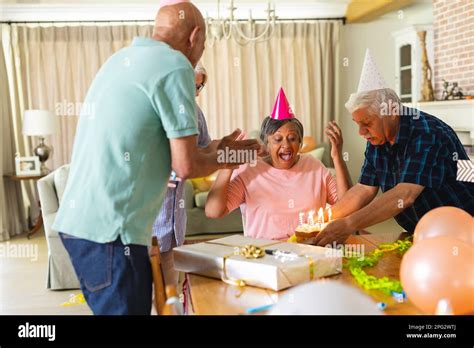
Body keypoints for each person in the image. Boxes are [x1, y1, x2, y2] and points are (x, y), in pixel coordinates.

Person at [52, 1, 259, 315]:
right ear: (195, 36)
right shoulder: (176, 65)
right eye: (205, 42)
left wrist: (223, 151)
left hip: (79, 226)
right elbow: (186, 166)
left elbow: (177, 151)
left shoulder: (121, 59)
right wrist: (230, 157)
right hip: (112, 232)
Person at [312, 49, 474, 247]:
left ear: (391, 113)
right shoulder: (378, 139)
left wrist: (348, 224)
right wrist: (324, 219)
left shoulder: (426, 132)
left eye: (367, 123)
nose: (361, 132)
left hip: (462, 229)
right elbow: (363, 189)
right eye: (357, 124)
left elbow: (405, 194)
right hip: (423, 231)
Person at [205, 87, 352, 240]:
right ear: (266, 143)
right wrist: (227, 166)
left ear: (300, 142)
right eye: (278, 139)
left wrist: (337, 156)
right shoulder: (249, 171)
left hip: (309, 250)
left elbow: (347, 205)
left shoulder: (314, 166)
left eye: (292, 138)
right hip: (264, 254)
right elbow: (213, 211)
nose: (286, 145)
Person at [153, 62, 214, 287]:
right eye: (191, 86)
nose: (195, 94)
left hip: (174, 219)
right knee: (145, 290)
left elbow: (205, 148)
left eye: (199, 88)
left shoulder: (196, 113)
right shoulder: (157, 109)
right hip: (149, 218)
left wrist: (227, 151)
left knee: (170, 287)